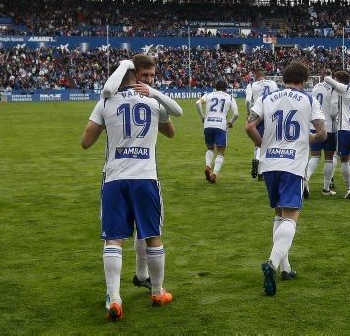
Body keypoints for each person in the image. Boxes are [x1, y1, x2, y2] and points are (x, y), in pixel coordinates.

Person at [80, 55, 183, 321]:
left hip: (115, 178)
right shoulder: (152, 102)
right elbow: (171, 133)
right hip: (145, 177)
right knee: (153, 235)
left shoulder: (105, 102)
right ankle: (157, 292)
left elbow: (85, 141)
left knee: (113, 238)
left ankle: (114, 298)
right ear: (136, 77)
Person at [245, 61, 327, 296]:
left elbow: (249, 126)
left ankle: (285, 267)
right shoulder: (309, 100)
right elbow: (322, 133)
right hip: (293, 164)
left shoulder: (268, 97)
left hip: (270, 164)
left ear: (283, 78)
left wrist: (263, 144)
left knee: (279, 214)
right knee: (291, 216)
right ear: (305, 80)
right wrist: (307, 140)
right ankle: (271, 263)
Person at [325, 70, 350, 199]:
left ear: (339, 81)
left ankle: (349, 186)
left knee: (344, 160)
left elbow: (326, 79)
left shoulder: (343, 89)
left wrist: (334, 81)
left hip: (345, 129)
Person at [195, 80, 239, 183]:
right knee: (221, 151)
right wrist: (231, 122)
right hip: (221, 125)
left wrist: (202, 117)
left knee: (210, 148)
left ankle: (208, 166)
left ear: (215, 87)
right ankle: (214, 174)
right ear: (225, 88)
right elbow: (236, 113)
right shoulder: (230, 97)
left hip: (208, 124)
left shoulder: (209, 95)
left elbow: (197, 103)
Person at [306, 73, 337, 197]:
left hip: (314, 125)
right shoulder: (334, 88)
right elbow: (334, 109)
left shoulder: (316, 87)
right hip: (328, 125)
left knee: (314, 156)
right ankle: (326, 188)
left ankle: (305, 179)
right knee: (329, 158)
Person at [245, 67, 279, 179]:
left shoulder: (251, 85)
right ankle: (262, 171)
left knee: (257, 141)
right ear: (264, 74)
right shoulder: (273, 83)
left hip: (258, 112)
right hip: (272, 112)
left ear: (255, 74)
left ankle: (257, 162)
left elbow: (248, 100)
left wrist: (248, 112)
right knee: (269, 141)